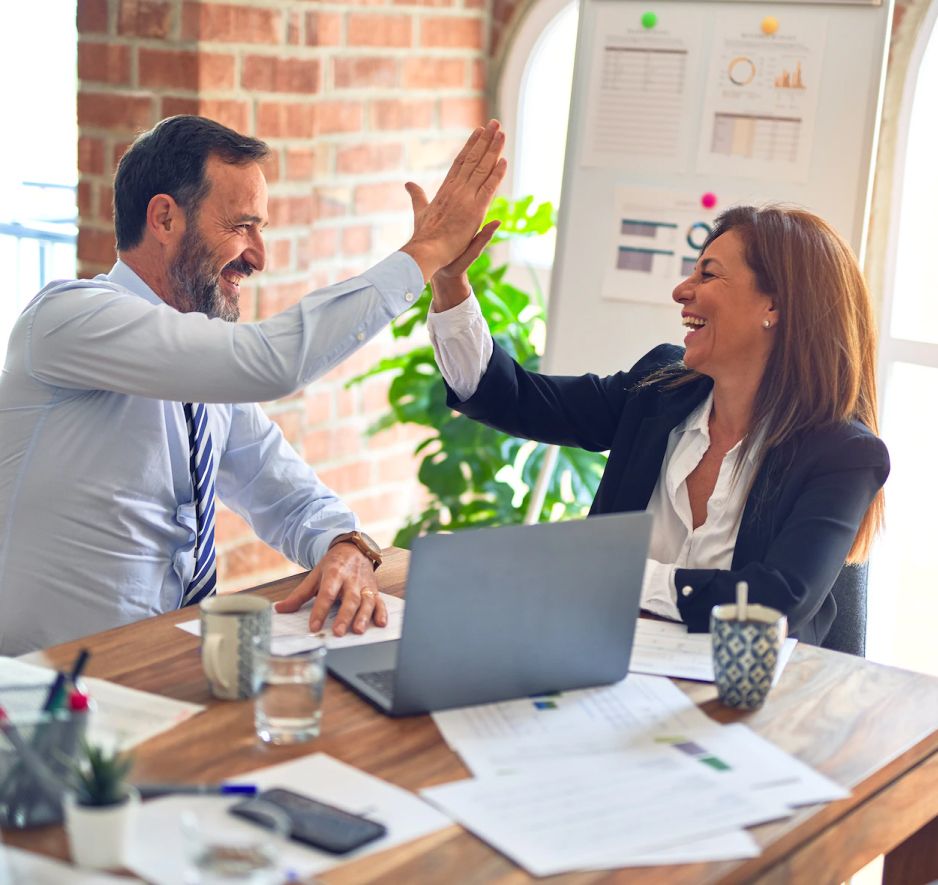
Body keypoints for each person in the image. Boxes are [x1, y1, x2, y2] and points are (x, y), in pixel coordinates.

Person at [0, 114, 506, 656]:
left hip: (166, 669)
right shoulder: (68, 318)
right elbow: (271, 362)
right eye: (242, 226)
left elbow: (286, 495)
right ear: (165, 218)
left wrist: (345, 543)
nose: (259, 257)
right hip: (46, 690)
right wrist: (425, 252)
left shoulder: (203, 371)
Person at [425, 205, 889, 646]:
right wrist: (450, 282)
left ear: (775, 306)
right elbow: (515, 398)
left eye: (707, 274)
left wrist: (617, 574)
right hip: (605, 665)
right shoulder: (659, 390)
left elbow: (774, 602)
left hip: (751, 701)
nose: (681, 291)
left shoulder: (843, 454)